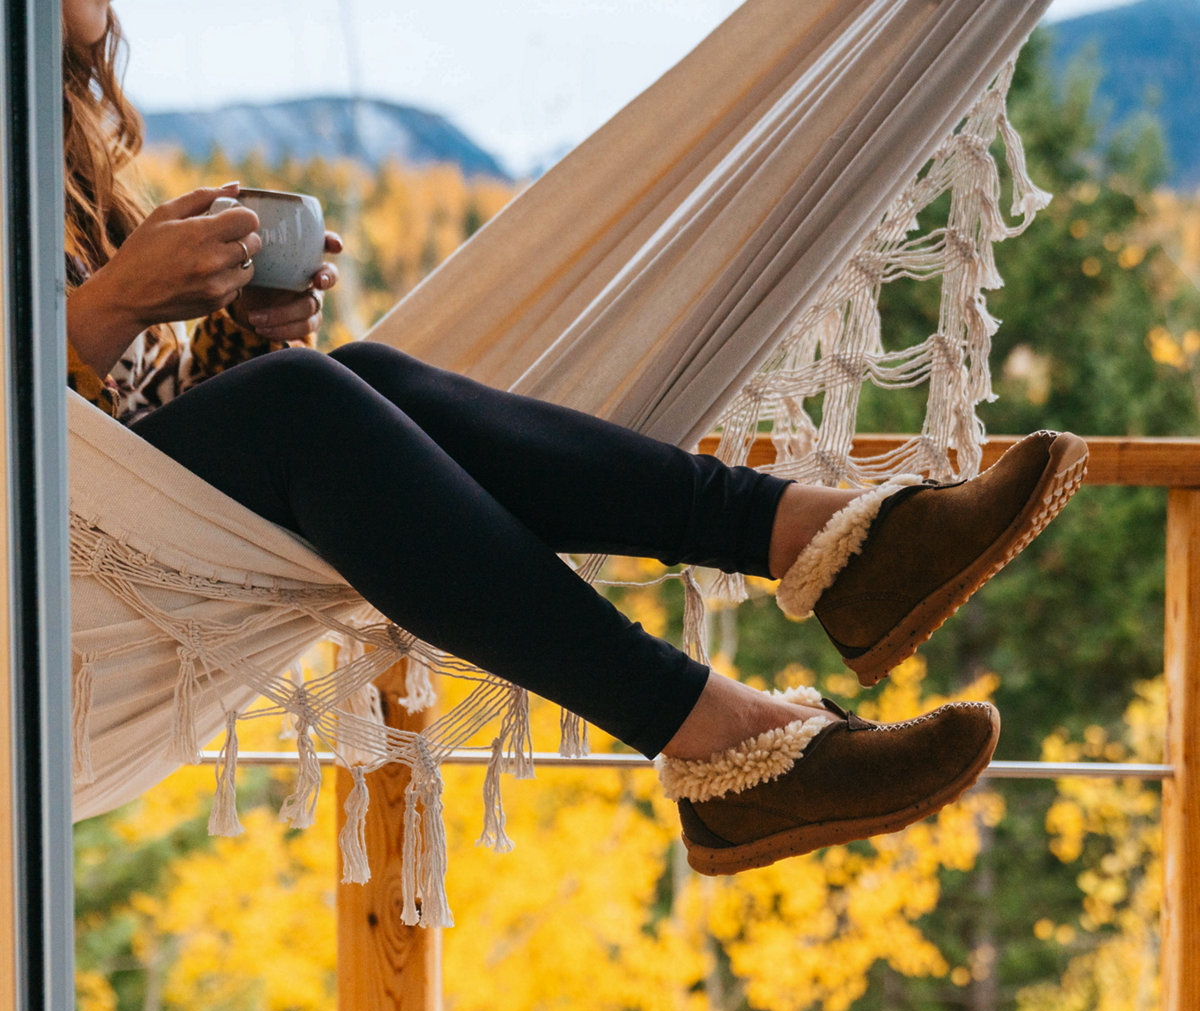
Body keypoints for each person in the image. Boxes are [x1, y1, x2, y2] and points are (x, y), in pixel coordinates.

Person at [60, 0, 1087, 876]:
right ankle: (734, 737)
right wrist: (108, 308)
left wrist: (241, 334)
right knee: (305, 403)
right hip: (51, 587)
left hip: (105, 546)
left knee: (337, 380)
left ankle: (831, 546)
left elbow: (129, 442)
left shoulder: (62, 156)